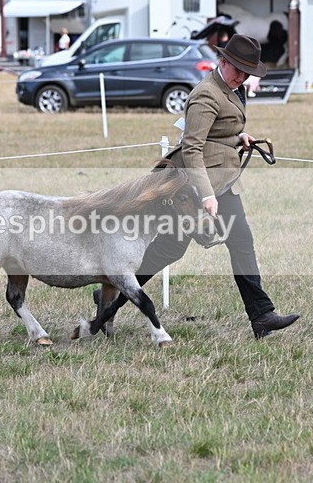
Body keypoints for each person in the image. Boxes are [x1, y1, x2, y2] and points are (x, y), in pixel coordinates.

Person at [94, 34, 299, 339]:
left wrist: (239, 137)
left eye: (247, 73)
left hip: (222, 182)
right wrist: (206, 195)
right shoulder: (206, 95)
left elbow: (217, 131)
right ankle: (111, 296)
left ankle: (261, 315)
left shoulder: (232, 87)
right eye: (238, 70)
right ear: (223, 61)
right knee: (172, 249)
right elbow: (192, 148)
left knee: (232, 242)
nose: (242, 77)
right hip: (193, 188)